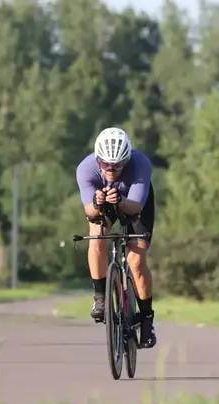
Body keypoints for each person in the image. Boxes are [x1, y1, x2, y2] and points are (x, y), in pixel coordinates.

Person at [75, 127, 157, 348]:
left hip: (133, 203)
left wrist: (119, 200)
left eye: (118, 165)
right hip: (103, 203)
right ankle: (100, 297)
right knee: (97, 237)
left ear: (127, 160)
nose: (111, 170)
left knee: (136, 261)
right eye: (106, 165)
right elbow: (89, 211)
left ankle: (147, 317)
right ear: (98, 160)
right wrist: (98, 202)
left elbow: (136, 205)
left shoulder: (140, 164)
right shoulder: (86, 169)